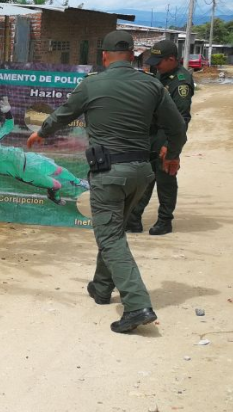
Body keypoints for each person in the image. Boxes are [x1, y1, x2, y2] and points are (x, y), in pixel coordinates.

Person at [27, 30, 187, 334]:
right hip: (142, 172)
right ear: (132, 55)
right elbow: (178, 127)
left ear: (104, 56)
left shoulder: (92, 84)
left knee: (110, 236)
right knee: (112, 229)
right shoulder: (153, 85)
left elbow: (63, 115)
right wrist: (172, 154)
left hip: (109, 173)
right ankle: (101, 287)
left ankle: (137, 304)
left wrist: (42, 132)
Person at [126, 39, 194, 235]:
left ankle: (165, 220)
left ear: (171, 59)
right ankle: (134, 219)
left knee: (165, 180)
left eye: (159, 61)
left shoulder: (180, 81)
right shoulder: (160, 74)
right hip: (150, 136)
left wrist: (170, 146)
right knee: (145, 177)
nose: (155, 65)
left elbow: (181, 119)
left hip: (165, 137)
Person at [0, 119, 89, 203]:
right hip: (25, 173)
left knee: (58, 170)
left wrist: (7, 112)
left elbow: (8, 127)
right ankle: (54, 197)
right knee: (57, 185)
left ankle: (78, 182)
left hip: (29, 158)